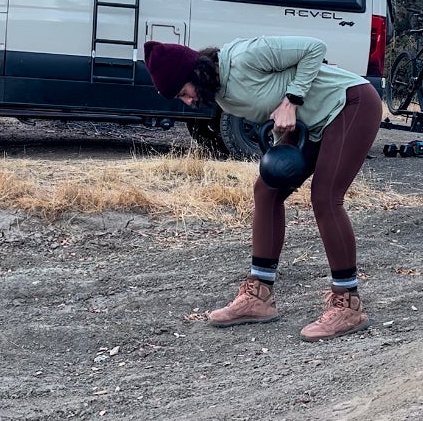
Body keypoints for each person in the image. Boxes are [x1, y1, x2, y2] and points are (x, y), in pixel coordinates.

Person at [143, 36, 382, 341]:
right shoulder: (221, 95)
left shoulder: (245, 56)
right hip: (316, 122)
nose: (188, 101)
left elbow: (315, 49)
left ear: (196, 73)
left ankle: (348, 304)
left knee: (325, 197)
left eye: (184, 92)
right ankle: (259, 295)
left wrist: (291, 101)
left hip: (350, 103)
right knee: (266, 189)